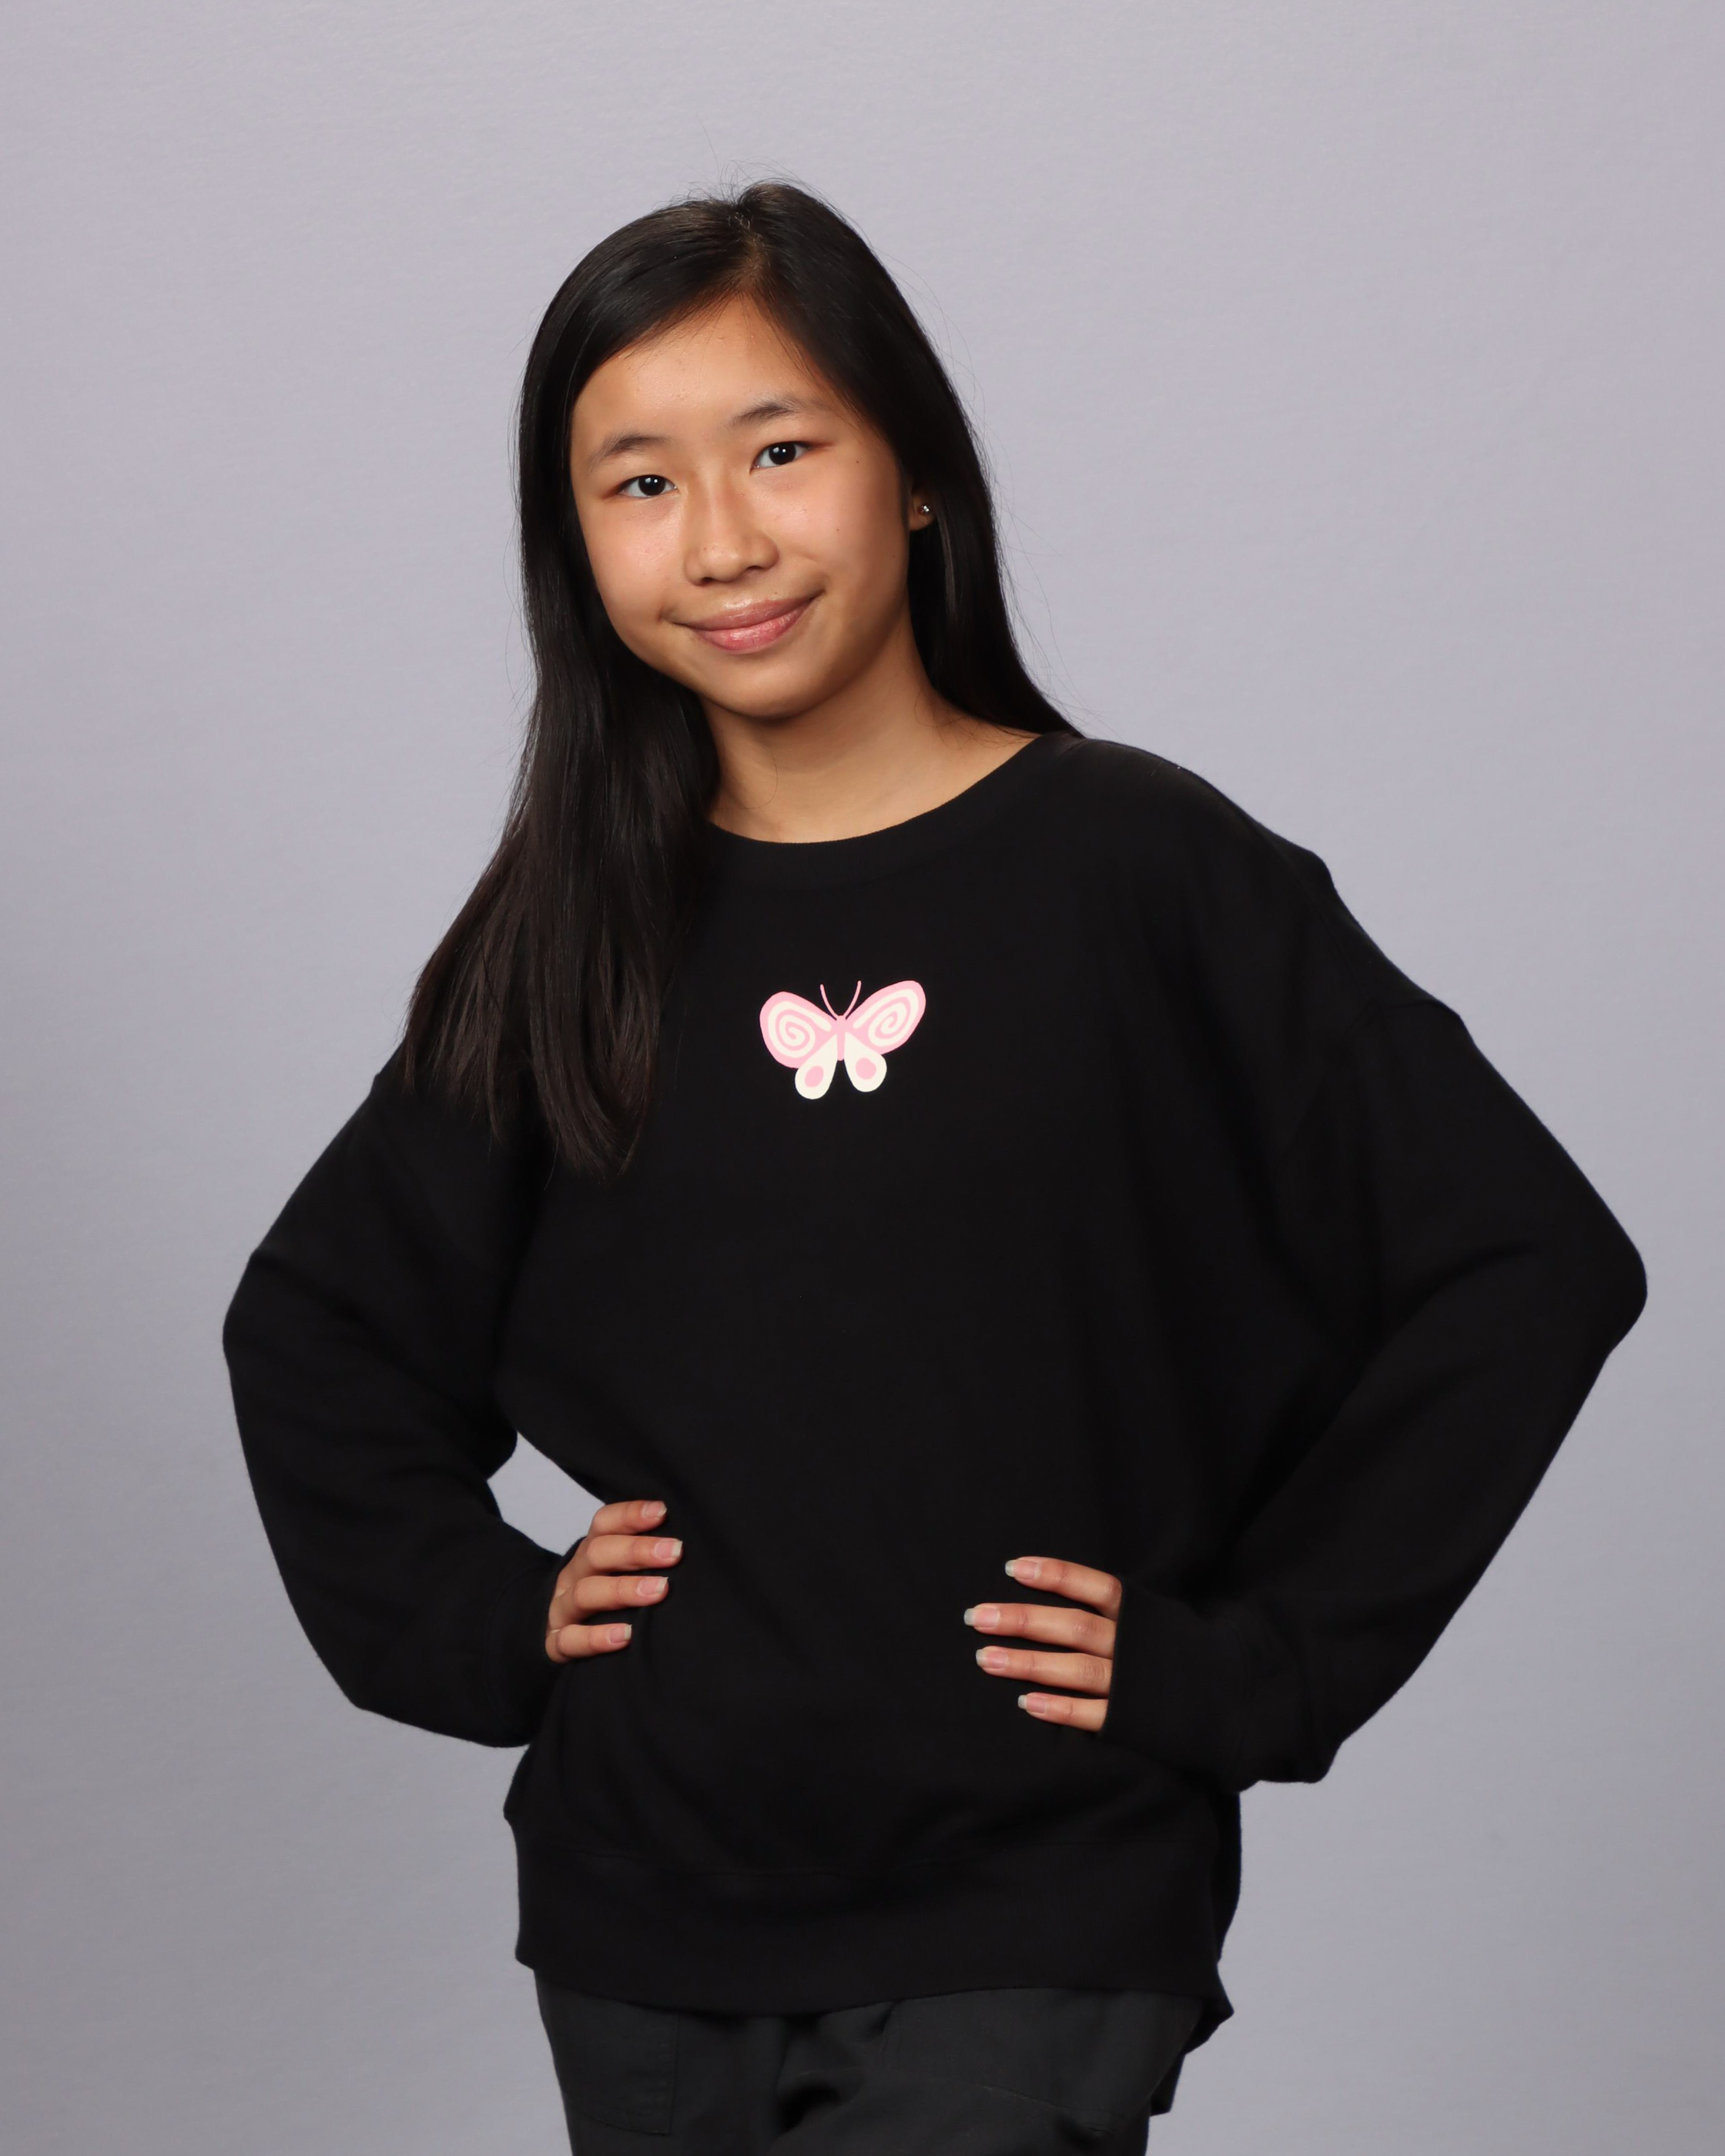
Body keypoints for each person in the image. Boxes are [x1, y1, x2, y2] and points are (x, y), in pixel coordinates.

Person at [223, 182, 1646, 2154]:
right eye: (638, 483)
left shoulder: (1136, 866)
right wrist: (483, 1613)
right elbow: (321, 1325)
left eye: (779, 451)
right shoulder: (574, 927)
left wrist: (1268, 1659)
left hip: (1037, 1894)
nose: (720, 540)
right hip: (646, 1911)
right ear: (575, 540)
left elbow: (1524, 1258)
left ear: (911, 474)